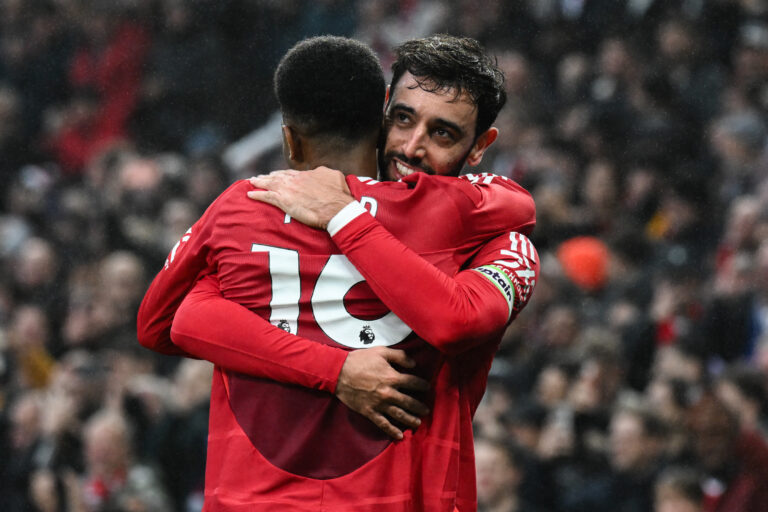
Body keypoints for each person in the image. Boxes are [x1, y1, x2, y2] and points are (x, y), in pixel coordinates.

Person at [137, 35, 538, 511]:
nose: (412, 147)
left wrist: (345, 217)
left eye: (443, 134)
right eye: (404, 119)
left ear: (479, 147)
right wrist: (339, 371)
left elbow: (175, 320)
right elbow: (186, 319)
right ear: (381, 112)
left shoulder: (246, 206)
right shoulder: (482, 221)